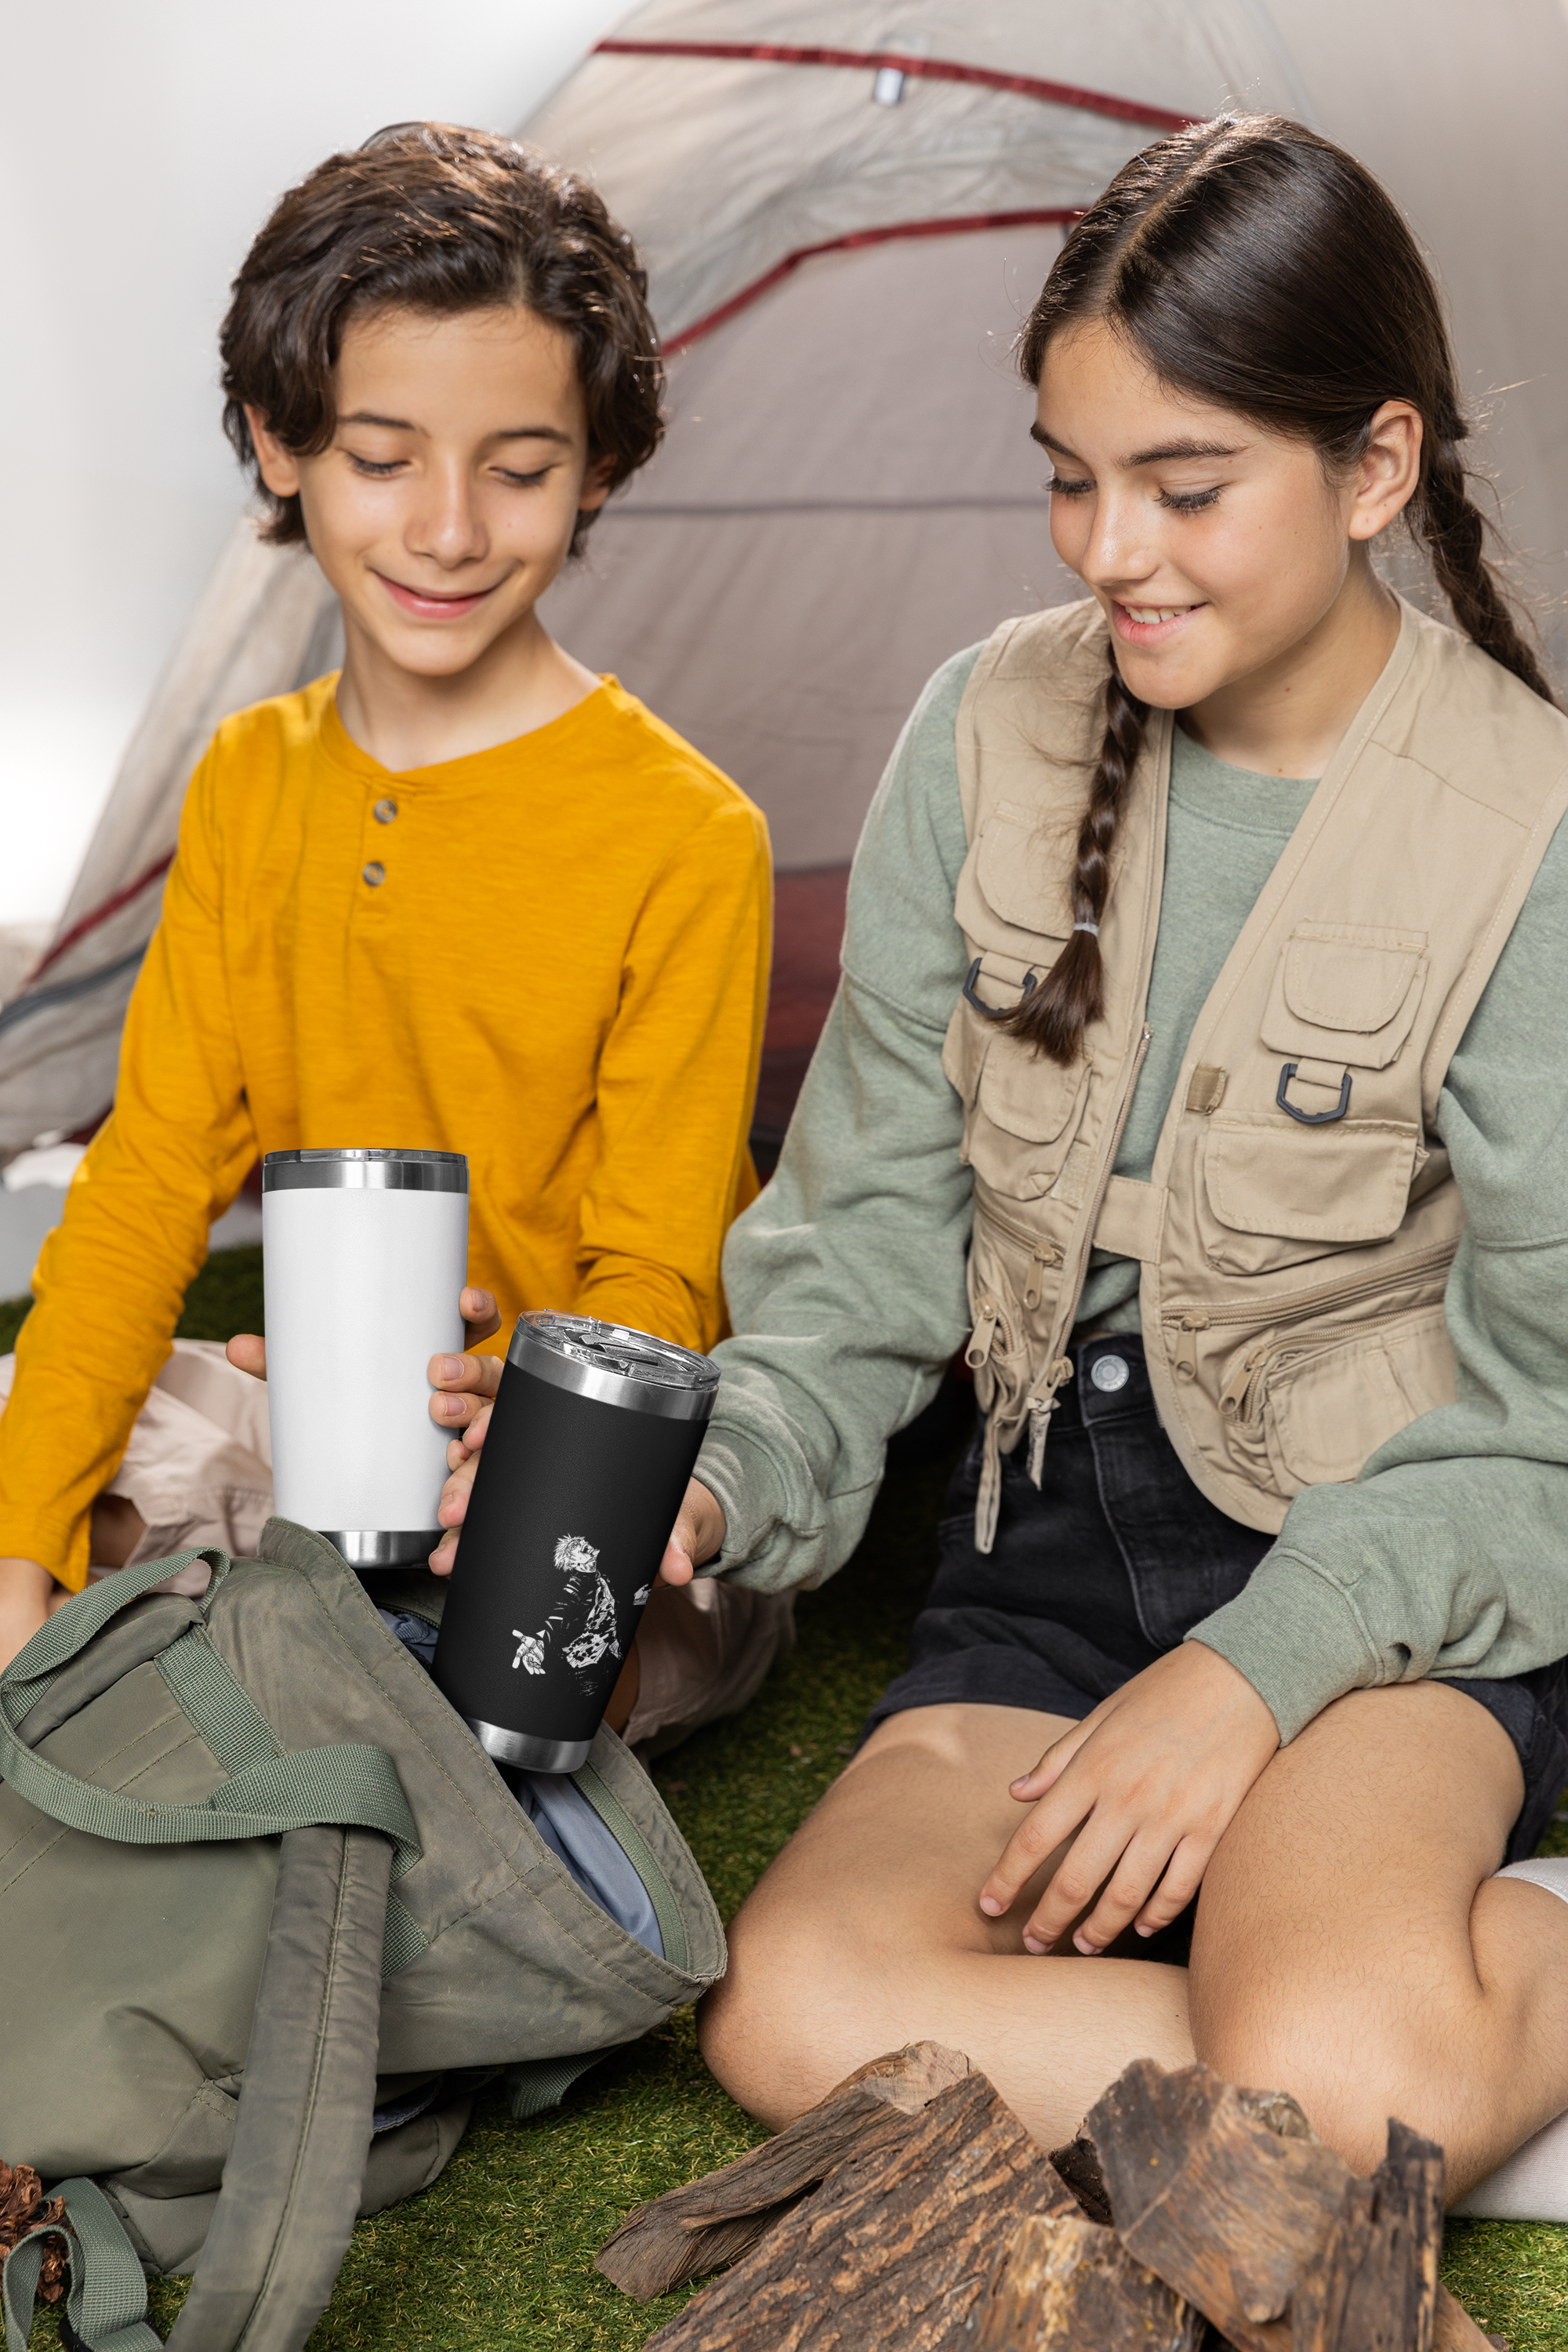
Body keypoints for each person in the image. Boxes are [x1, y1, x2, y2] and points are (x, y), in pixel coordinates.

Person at [441, 112, 1568, 2201]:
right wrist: (718, 1475)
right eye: (1072, 478)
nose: (1107, 550)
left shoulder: (1534, 823)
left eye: (1186, 485)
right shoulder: (983, 733)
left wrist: (1252, 1678)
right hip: (1044, 1571)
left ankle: (1418, 2014)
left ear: (1377, 469)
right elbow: (863, 1253)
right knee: (793, 2009)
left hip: (1383, 1577)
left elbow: (1547, 1423)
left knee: (1309, 2076)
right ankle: (1382, 2068)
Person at [0, 124, 791, 1751]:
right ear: (276, 445)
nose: (447, 528)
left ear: (596, 469)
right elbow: (150, 1179)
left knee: (516, 1672)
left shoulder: (686, 834)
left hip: (581, 1451)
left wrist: (532, 1425)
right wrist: (15, 1549)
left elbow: (656, 1274)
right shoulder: (249, 781)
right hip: (316, 1423)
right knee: (37, 1448)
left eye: (517, 467)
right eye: (381, 456)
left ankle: (362, 1670)